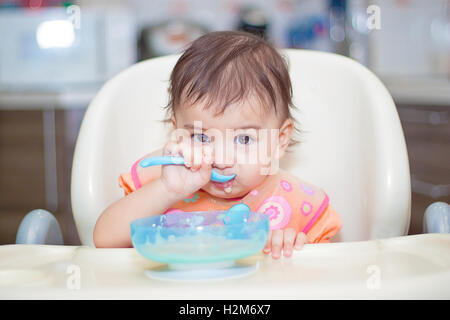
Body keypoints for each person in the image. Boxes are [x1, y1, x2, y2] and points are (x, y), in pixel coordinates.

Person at [94, 31, 342, 259]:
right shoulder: (162, 183)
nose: (221, 159)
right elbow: (104, 241)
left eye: (244, 139)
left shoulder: (297, 201)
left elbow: (332, 271)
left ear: (280, 140)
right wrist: (167, 190)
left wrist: (297, 249)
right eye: (201, 137)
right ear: (178, 132)